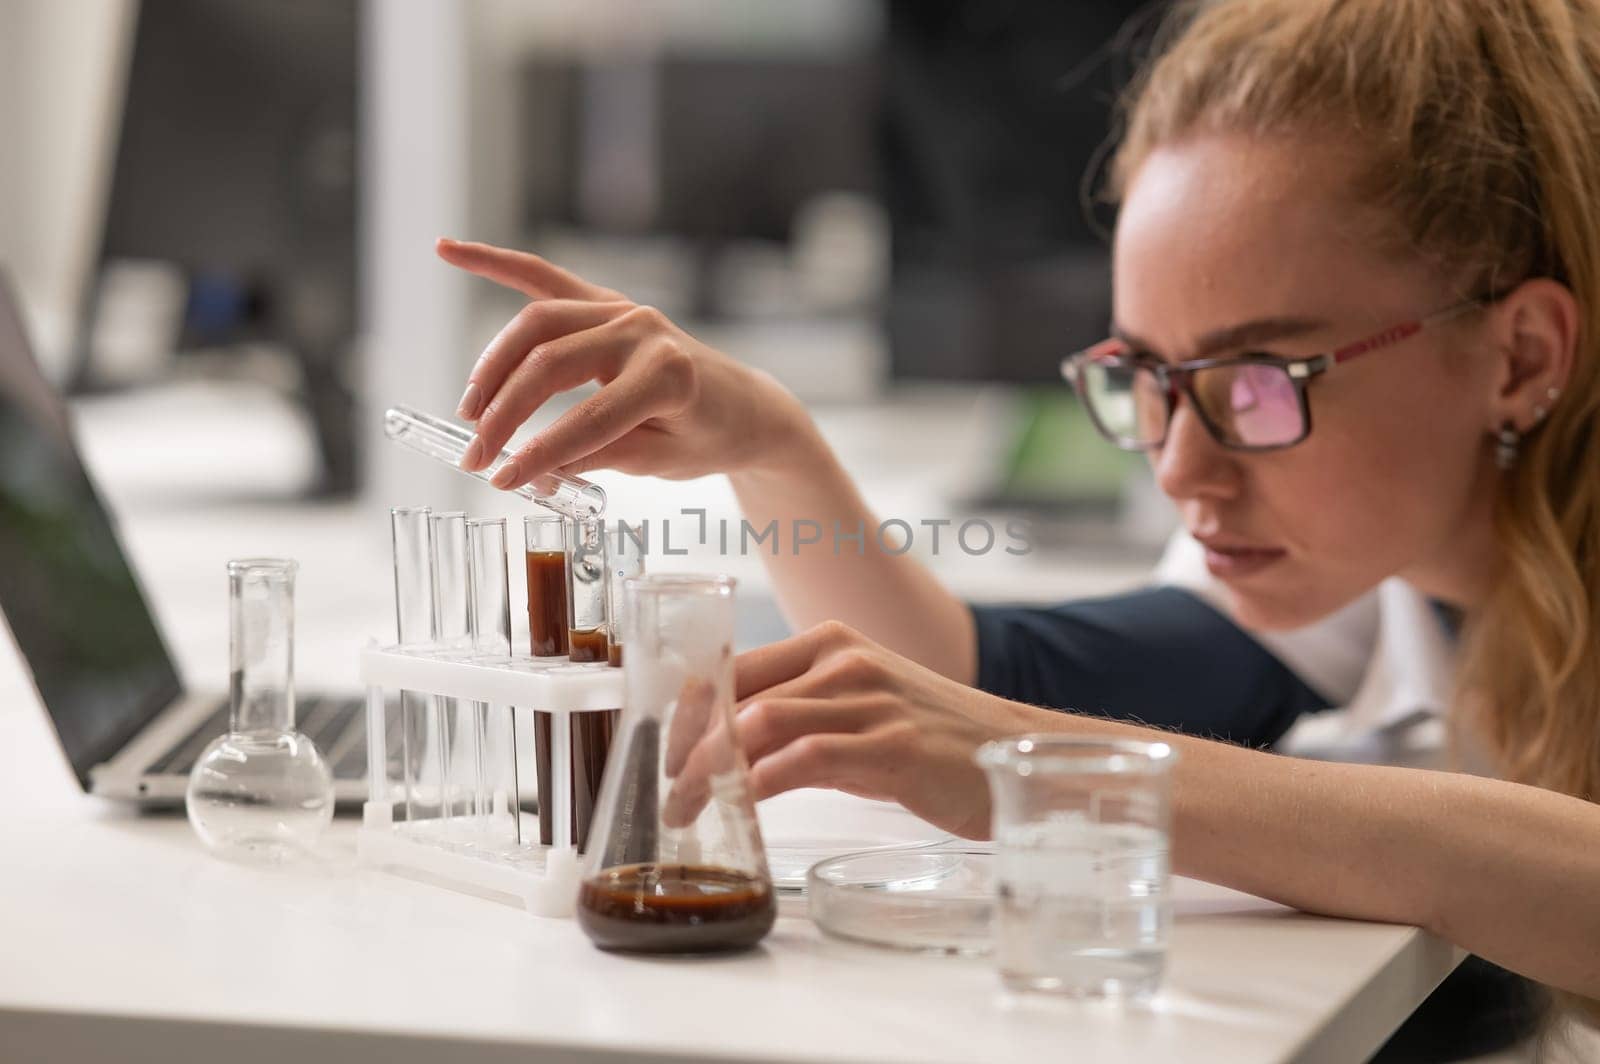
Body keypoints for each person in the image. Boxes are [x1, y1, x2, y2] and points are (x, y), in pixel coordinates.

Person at [438, 0, 1600, 1034]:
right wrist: (771, 447)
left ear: (1520, 354)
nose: (1182, 471)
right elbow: (975, 674)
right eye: (1146, 380)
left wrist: (1027, 763)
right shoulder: (1380, 572)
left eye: (1259, 383)